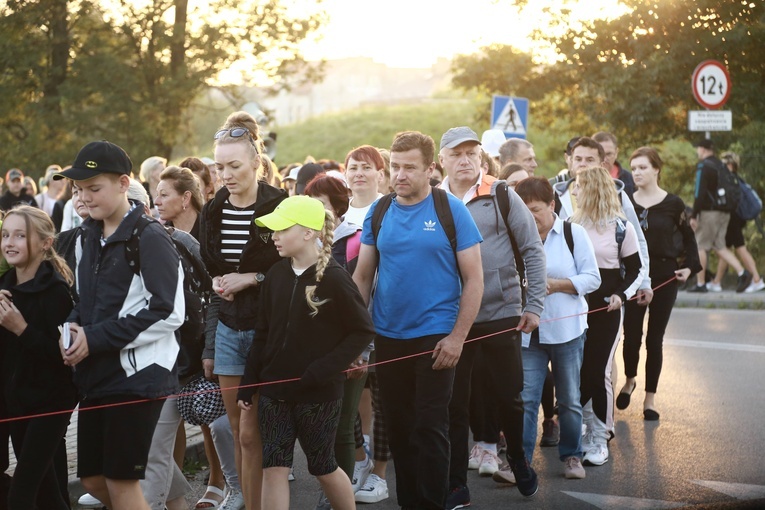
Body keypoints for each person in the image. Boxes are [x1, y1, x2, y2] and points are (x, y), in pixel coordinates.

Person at [352, 131, 484, 510]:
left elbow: (474, 279)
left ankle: (433, 503)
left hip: (437, 336)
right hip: (389, 337)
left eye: (409, 167)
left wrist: (458, 337)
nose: (400, 174)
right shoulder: (378, 211)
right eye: (395, 166)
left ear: (430, 169)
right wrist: (358, 340)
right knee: (399, 428)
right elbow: (362, 277)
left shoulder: (450, 209)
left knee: (429, 428)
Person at [58, 140, 184, 510]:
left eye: (94, 188)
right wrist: (71, 329)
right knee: (94, 479)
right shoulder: (86, 236)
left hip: (139, 375)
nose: (85, 197)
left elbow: (169, 312)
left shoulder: (150, 236)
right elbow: (83, 302)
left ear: (124, 183)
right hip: (96, 375)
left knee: (120, 480)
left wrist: (93, 338)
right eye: (79, 189)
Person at [236, 195, 375, 510]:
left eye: (282, 229)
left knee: (322, 466)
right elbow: (264, 333)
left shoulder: (335, 279)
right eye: (273, 230)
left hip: (318, 393)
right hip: (274, 390)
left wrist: (323, 370)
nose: (274, 237)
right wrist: (249, 381)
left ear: (309, 232)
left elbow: (362, 331)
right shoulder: (275, 275)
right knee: (274, 467)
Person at [437, 126, 545, 508]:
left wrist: (534, 305)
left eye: (471, 153)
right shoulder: (433, 200)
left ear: (482, 157)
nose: (465, 160)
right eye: (456, 154)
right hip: (451, 318)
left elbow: (532, 249)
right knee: (454, 403)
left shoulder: (501, 193)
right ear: (442, 161)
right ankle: (454, 483)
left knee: (508, 397)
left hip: (501, 311)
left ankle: (517, 460)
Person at [199, 111, 287, 510]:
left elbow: (298, 271)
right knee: (239, 431)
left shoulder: (280, 206)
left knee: (259, 432)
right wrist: (221, 283)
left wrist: (253, 279)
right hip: (229, 329)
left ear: (257, 162)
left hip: (269, 329)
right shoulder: (213, 208)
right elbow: (212, 270)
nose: (226, 175)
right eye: (219, 167)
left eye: (234, 166)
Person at [514, 176, 601, 479]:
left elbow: (593, 278)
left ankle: (572, 456)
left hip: (567, 332)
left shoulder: (572, 233)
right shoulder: (516, 238)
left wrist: (557, 285)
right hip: (528, 333)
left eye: (535, 209)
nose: (530, 217)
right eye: (523, 211)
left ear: (552, 205)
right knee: (525, 399)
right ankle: (521, 463)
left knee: (569, 399)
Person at [305, 174, 378, 507]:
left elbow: (362, 298)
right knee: (324, 425)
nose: (315, 212)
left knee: (344, 426)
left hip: (349, 349)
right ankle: (333, 487)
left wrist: (358, 352)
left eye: (321, 204)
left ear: (337, 207)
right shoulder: (300, 246)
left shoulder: (353, 241)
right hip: (316, 352)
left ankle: (339, 494)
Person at [0, 206, 76, 510]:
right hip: (16, 401)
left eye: (20, 235)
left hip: (50, 403)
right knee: (47, 493)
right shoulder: (5, 286)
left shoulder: (55, 291)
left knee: (21, 494)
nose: (9, 242)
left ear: (46, 242)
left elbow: (63, 360)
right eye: (6, 235)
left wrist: (21, 329)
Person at [618, 148, 702, 420]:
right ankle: (630, 379)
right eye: (634, 167)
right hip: (633, 275)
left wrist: (689, 267)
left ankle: (650, 399)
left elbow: (689, 239)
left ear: (656, 169)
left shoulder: (674, 204)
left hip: (665, 275)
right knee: (631, 337)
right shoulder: (625, 201)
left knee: (655, 339)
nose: (637, 172)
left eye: (643, 167)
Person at [570, 166, 642, 466]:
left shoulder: (621, 227)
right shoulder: (569, 225)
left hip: (607, 311)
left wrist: (621, 296)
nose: (573, 191)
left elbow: (637, 270)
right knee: (576, 375)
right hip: (574, 311)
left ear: (592, 189)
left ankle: (600, 439)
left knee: (598, 372)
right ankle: (585, 432)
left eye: (578, 186)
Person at [688, 139, 752, 293]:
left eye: (698, 148)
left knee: (700, 245)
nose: (697, 151)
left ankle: (701, 283)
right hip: (725, 212)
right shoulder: (721, 165)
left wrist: (694, 214)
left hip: (709, 212)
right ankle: (743, 273)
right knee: (719, 245)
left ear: (703, 149)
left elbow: (699, 192)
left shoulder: (704, 166)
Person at [707, 151, 764, 293]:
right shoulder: (736, 179)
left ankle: (756, 279)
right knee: (725, 249)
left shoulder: (729, 180)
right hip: (737, 218)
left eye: (724, 163)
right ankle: (716, 282)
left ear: (730, 164)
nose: (721, 166)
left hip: (733, 218)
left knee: (737, 248)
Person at [343, 145, 385, 228]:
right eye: (353, 168)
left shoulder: (389, 208)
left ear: (381, 175)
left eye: (366, 168)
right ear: (345, 175)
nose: (359, 174)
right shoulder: (340, 211)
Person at [592, 132, 635, 197]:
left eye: (608, 154)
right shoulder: (581, 179)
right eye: (600, 154)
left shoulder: (629, 179)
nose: (604, 159)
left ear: (616, 153)